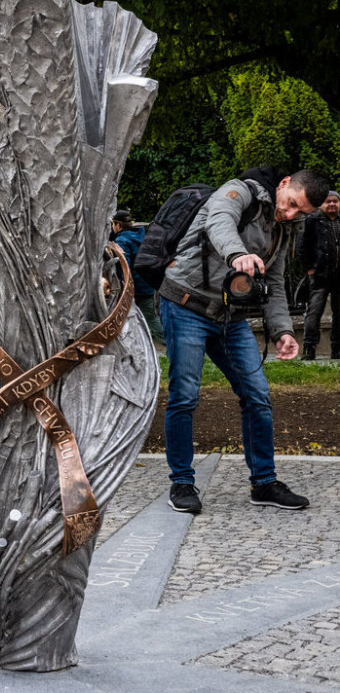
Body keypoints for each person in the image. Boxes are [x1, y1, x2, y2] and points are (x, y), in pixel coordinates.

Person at [158, 167, 330, 514]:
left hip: (230, 318)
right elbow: (218, 222)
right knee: (185, 395)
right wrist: (237, 255)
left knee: (258, 395)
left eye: (302, 213)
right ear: (284, 185)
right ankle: (182, 482)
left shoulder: (284, 228)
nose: (291, 213)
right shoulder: (238, 192)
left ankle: (264, 482)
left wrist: (283, 331)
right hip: (185, 304)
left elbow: (277, 282)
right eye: (292, 203)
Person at [111, 209, 165, 345]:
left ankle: (166, 342)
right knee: (149, 316)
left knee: (143, 317)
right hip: (147, 283)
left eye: (112, 224)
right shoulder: (141, 235)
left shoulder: (122, 240)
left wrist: (123, 285)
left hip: (135, 287)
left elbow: (125, 266)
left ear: (118, 225)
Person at [298, 190, 340, 360]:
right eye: (328, 201)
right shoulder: (312, 220)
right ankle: (309, 347)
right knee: (314, 312)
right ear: (322, 204)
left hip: (339, 276)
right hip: (320, 275)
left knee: (339, 314)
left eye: (335, 201)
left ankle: (337, 349)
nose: (331, 204)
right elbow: (302, 246)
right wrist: (309, 269)